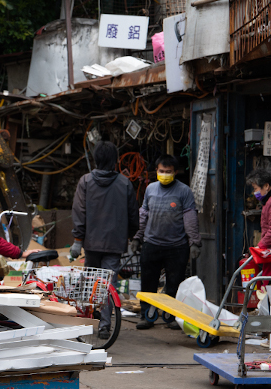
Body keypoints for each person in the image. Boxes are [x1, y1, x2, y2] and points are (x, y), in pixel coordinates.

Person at [70, 141, 137, 338]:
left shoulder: (86, 182)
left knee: (91, 281)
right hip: (115, 243)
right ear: (115, 161)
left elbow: (79, 211)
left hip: (91, 243)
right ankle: (105, 325)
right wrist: (133, 237)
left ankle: (89, 318)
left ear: (96, 159)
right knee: (109, 283)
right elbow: (133, 215)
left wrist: (77, 239)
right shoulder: (125, 183)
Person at [132, 155, 200, 330]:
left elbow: (190, 218)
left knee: (174, 283)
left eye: (168, 172)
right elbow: (143, 214)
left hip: (177, 246)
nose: (164, 174)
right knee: (148, 283)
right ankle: (147, 316)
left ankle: (172, 317)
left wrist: (194, 242)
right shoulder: (150, 189)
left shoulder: (184, 191)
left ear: (175, 172)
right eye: (161, 171)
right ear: (156, 171)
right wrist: (137, 237)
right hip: (151, 244)